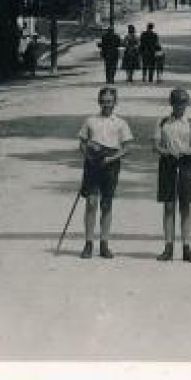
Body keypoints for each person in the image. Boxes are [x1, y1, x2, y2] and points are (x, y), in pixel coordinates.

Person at [76, 86, 133, 259]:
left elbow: (127, 147)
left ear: (115, 102)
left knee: (106, 204)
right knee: (91, 202)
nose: (106, 104)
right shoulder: (90, 121)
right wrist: (88, 155)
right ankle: (88, 243)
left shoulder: (121, 123)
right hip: (93, 164)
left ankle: (104, 244)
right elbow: (82, 143)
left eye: (110, 101)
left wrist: (113, 158)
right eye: (103, 101)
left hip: (111, 164)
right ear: (99, 102)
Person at [154, 87, 191, 262]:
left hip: (186, 165)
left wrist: (186, 151)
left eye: (183, 103)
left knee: (185, 206)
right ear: (171, 103)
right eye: (176, 103)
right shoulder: (163, 122)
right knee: (168, 206)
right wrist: (166, 151)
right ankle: (168, 246)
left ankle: (186, 247)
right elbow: (156, 146)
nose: (180, 106)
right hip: (167, 164)